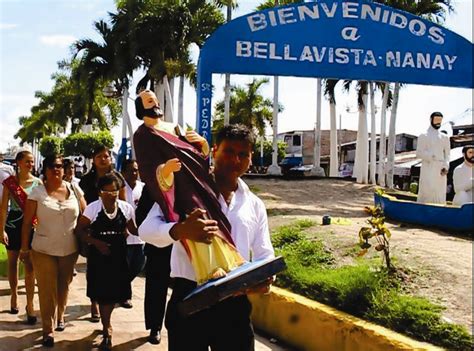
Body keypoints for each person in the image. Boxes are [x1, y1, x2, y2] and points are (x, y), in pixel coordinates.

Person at [139, 124, 275, 351]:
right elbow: (146, 230)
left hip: (234, 304)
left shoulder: (254, 204)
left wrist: (261, 281)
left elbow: (264, 254)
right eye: (229, 151)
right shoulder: (186, 189)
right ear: (214, 151)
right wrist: (181, 230)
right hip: (190, 299)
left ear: (251, 158)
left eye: (243, 154)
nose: (236, 160)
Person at [133, 90, 244, 286]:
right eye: (150, 101)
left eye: (156, 100)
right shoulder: (142, 135)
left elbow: (192, 151)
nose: (155, 104)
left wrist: (202, 145)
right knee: (194, 221)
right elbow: (147, 167)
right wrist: (165, 171)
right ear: (141, 107)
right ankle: (209, 267)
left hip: (196, 181)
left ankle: (230, 258)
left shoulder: (173, 127)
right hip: (177, 189)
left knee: (213, 215)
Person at [20, 154, 85, 347]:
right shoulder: (37, 193)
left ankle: (61, 315)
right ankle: (47, 329)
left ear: (64, 170)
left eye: (59, 166)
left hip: (69, 249)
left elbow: (86, 214)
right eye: (51, 166)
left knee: (63, 286)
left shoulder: (74, 189)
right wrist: (24, 249)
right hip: (43, 249)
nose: (56, 169)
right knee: (47, 289)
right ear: (45, 170)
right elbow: (26, 224)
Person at [75, 173, 138, 351]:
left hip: (118, 254)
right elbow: (79, 231)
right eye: (108, 191)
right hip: (99, 254)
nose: (112, 195)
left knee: (115, 291)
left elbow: (133, 229)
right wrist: (96, 243)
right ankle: (106, 327)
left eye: (115, 191)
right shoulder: (93, 209)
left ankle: (106, 322)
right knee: (103, 293)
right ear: (100, 192)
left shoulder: (126, 208)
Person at [79, 145, 126, 322]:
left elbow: (123, 202)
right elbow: (82, 202)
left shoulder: (118, 177)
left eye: (106, 156)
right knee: (94, 268)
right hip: (92, 225)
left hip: (114, 225)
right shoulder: (86, 180)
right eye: (99, 156)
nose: (103, 159)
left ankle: (113, 297)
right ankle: (94, 302)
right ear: (93, 159)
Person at [0, 150, 40, 323]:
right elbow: (3, 208)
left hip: (31, 226)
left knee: (30, 266)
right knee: (13, 262)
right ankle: (14, 295)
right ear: (18, 163)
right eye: (27, 161)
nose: (30, 164)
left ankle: (30, 304)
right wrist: (1, 230)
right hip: (13, 226)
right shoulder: (10, 183)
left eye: (32, 162)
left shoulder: (38, 183)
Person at [135, 186, 172, 345]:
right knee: (156, 288)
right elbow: (140, 217)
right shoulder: (153, 188)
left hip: (186, 247)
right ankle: (155, 327)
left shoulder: (192, 184)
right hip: (159, 246)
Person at [120, 159, 146, 309]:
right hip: (125, 236)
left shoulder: (143, 188)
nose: (134, 173)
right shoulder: (120, 188)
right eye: (130, 170)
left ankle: (120, 286)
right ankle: (125, 296)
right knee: (125, 266)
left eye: (136, 170)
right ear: (123, 172)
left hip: (141, 236)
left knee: (138, 265)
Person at [416, 112, 451, 204]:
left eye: (440, 120)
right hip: (428, 166)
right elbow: (419, 153)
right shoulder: (423, 136)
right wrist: (431, 156)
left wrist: (446, 166)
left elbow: (447, 154)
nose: (438, 122)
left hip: (440, 168)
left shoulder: (445, 137)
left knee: (439, 192)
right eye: (436, 120)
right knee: (427, 189)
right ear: (431, 119)